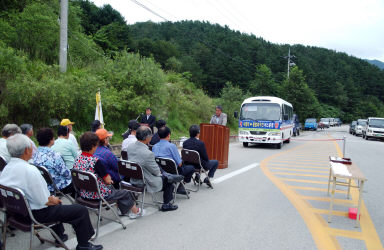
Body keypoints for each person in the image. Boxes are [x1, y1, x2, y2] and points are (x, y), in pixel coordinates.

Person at [0, 134, 102, 250]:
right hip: (34, 215)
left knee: (58, 206)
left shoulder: (6, 169)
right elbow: (44, 201)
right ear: (26, 150)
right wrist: (53, 199)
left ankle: (60, 235)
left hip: (14, 215)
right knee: (80, 210)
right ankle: (84, 244)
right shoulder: (30, 170)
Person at [73, 132, 142, 218]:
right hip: (99, 195)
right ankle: (135, 212)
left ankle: (121, 209)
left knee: (115, 190)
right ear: (93, 146)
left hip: (84, 194)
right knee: (125, 192)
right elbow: (108, 180)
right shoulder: (95, 161)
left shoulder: (77, 159)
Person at [126, 126, 183, 211]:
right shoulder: (147, 153)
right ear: (147, 138)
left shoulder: (130, 147)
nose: (152, 136)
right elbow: (156, 172)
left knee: (166, 174)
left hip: (134, 177)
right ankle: (166, 204)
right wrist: (163, 173)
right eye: (151, 135)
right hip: (145, 180)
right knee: (169, 179)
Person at [33, 128, 76, 198]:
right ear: (51, 140)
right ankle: (79, 205)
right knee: (77, 182)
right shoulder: (54, 155)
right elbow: (66, 174)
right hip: (58, 186)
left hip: (44, 185)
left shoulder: (35, 154)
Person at [152, 126, 195, 195]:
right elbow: (180, 164)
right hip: (173, 172)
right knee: (191, 168)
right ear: (169, 135)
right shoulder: (171, 146)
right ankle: (181, 186)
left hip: (160, 171)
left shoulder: (154, 146)